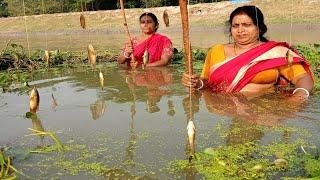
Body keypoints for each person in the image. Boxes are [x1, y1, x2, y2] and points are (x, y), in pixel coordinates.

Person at [182, 5, 314, 100]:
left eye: (247, 25)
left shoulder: (274, 52)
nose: (240, 30)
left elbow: (302, 78)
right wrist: (197, 83)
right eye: (235, 26)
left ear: (260, 28)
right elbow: (207, 83)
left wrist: (298, 98)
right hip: (222, 110)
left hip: (264, 109)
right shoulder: (216, 51)